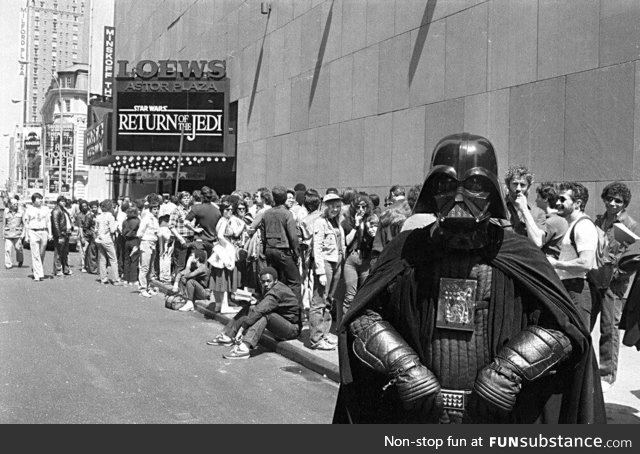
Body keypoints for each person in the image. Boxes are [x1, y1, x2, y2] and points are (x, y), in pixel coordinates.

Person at [333, 132, 605, 424]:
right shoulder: (407, 250)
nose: (459, 196)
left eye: (475, 184)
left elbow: (564, 327)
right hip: (419, 414)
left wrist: (510, 369)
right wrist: (403, 365)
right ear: (431, 189)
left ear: (492, 191)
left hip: (496, 415)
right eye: (446, 184)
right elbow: (363, 316)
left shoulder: (518, 253)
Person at [592, 182, 640, 392]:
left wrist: (616, 275)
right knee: (584, 323)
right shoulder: (600, 220)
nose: (612, 203)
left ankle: (606, 375)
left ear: (624, 204)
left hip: (615, 284)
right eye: (609, 198)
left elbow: (634, 258)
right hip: (595, 278)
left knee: (609, 327)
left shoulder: (629, 224)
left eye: (617, 200)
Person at [206, 267, 301, 360]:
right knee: (250, 308)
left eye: (269, 281)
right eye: (263, 282)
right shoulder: (272, 287)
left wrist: (242, 329)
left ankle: (244, 348)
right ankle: (228, 336)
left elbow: (260, 310)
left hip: (292, 329)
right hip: (281, 321)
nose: (266, 284)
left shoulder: (276, 292)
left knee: (264, 315)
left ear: (275, 281)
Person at [548, 182, 598, 329]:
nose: (558, 203)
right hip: (569, 288)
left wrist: (556, 264)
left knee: (580, 341)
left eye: (563, 199)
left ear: (577, 203)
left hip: (577, 289)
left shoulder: (583, 226)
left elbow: (585, 263)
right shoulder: (573, 225)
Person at [309, 192, 346, 351]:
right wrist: (320, 271)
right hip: (326, 263)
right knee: (319, 301)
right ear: (326, 206)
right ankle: (316, 339)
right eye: (332, 206)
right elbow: (317, 247)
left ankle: (324, 333)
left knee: (329, 300)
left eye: (338, 206)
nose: (335, 209)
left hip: (337, 262)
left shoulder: (337, 222)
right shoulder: (320, 222)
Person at [260, 186, 302, 303]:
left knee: (273, 280)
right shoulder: (287, 214)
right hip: (283, 251)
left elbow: (262, 236)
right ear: (284, 198)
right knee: (294, 282)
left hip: (269, 249)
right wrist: (296, 253)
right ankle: (294, 309)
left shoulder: (266, 213)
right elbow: (293, 237)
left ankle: (270, 305)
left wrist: (264, 251)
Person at [341, 194, 376, 316]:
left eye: (364, 207)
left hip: (365, 260)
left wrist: (371, 232)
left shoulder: (371, 221)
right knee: (350, 295)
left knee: (365, 293)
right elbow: (347, 241)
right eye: (358, 207)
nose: (361, 210)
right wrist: (356, 225)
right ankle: (346, 322)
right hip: (352, 260)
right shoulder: (347, 222)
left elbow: (375, 240)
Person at [211, 200, 242, 314]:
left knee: (219, 277)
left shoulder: (223, 220)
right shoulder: (224, 221)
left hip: (219, 251)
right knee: (223, 278)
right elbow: (220, 236)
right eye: (227, 209)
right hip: (223, 251)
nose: (230, 211)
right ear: (222, 210)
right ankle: (223, 305)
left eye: (231, 209)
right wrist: (229, 246)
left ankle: (218, 304)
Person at [504, 165, 547, 247]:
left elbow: (537, 243)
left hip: (526, 257)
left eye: (522, 185)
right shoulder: (499, 208)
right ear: (508, 185)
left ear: (528, 187)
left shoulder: (538, 213)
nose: (518, 189)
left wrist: (525, 210)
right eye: (515, 184)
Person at [533, 182, 568, 260]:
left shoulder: (552, 222)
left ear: (545, 199)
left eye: (538, 197)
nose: (536, 200)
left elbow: (535, 242)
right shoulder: (560, 218)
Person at [23, 193, 51, 282]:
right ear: (33, 201)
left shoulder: (45, 209)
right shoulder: (29, 210)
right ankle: (37, 275)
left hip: (43, 231)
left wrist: (50, 233)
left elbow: (48, 222)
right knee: (35, 254)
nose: (40, 200)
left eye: (41, 199)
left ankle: (38, 269)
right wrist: (27, 235)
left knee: (41, 253)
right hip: (33, 231)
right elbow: (26, 223)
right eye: (38, 199)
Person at [185, 186, 221, 257]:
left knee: (195, 264)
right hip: (212, 242)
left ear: (201, 196)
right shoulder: (218, 211)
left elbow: (185, 222)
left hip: (199, 242)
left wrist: (194, 229)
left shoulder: (196, 208)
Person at [94, 199, 123, 286]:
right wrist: (117, 224)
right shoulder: (110, 217)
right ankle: (116, 279)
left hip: (99, 239)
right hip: (107, 239)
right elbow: (113, 230)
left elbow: (96, 229)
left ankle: (103, 278)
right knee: (113, 259)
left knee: (102, 259)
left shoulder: (98, 216)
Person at [173, 248, 211, 312]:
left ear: (197, 258)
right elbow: (182, 273)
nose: (190, 257)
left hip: (205, 293)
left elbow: (191, 275)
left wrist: (185, 275)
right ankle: (186, 299)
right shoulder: (194, 266)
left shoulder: (203, 267)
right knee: (183, 279)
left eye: (192, 256)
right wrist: (176, 282)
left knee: (191, 281)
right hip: (197, 291)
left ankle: (190, 303)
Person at [137, 200, 160, 297]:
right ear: (150, 210)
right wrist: (143, 240)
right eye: (154, 209)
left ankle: (148, 287)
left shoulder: (155, 219)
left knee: (150, 268)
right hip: (146, 242)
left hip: (153, 243)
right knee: (145, 267)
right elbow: (140, 232)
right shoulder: (146, 218)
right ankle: (142, 288)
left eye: (158, 209)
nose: (156, 211)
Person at [169, 191, 194, 275]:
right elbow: (171, 226)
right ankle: (177, 284)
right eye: (184, 198)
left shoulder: (192, 210)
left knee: (189, 263)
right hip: (182, 238)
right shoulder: (176, 210)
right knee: (180, 264)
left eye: (188, 197)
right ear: (180, 199)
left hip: (191, 238)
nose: (186, 199)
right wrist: (180, 239)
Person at [51, 195, 74, 276]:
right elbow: (55, 224)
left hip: (66, 233)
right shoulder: (56, 211)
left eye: (64, 201)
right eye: (62, 201)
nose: (63, 203)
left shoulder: (64, 210)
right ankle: (57, 270)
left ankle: (65, 269)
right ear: (58, 202)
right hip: (61, 234)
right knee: (58, 253)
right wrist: (59, 235)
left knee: (65, 253)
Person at [121, 205, 141, 286]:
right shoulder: (137, 221)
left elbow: (123, 231)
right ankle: (133, 279)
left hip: (127, 241)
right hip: (135, 240)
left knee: (126, 260)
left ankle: (126, 278)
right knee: (134, 260)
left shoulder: (125, 221)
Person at [4, 198, 24, 269]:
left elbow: (24, 224)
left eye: (16, 203)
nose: (15, 205)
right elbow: (4, 223)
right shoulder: (6, 212)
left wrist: (23, 234)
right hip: (8, 234)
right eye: (13, 203)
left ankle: (20, 260)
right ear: (10, 204)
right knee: (7, 249)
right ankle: (8, 264)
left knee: (18, 249)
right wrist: (3, 234)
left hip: (17, 234)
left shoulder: (21, 212)